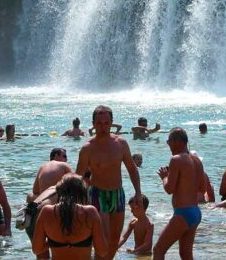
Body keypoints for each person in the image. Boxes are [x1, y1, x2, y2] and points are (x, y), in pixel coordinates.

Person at [77, 105, 141, 260]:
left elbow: (132, 169)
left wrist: (138, 192)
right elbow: (77, 176)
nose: (103, 127)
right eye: (99, 123)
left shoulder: (121, 144)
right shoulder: (88, 148)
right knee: (103, 241)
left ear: (112, 123)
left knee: (114, 240)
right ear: (93, 124)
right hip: (98, 195)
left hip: (118, 194)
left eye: (106, 123)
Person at [152, 128, 205, 260]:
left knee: (158, 250)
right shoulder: (197, 160)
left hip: (183, 213)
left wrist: (165, 177)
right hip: (195, 212)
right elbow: (203, 188)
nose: (168, 144)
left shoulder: (175, 159)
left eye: (168, 141)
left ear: (175, 141)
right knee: (185, 254)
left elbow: (169, 189)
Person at [32, 174, 108, 259]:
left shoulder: (47, 212)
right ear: (82, 192)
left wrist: (53, 241)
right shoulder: (90, 212)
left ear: (59, 191)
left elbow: (36, 249)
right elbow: (103, 251)